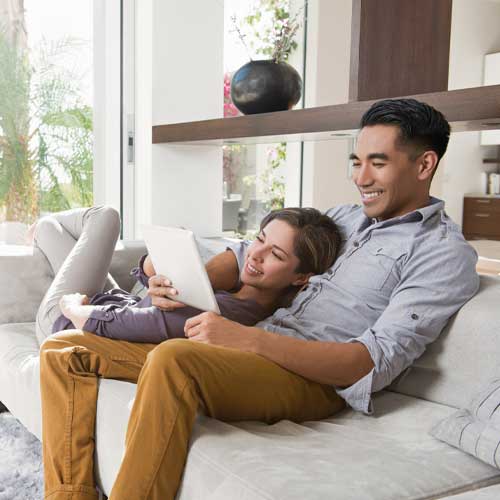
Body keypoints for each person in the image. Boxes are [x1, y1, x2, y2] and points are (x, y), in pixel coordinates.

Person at [39, 98, 479, 500]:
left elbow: (371, 362)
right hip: (253, 350)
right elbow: (251, 254)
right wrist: (184, 285)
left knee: (175, 360)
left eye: (378, 164)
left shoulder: (442, 253)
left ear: (424, 164)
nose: (361, 178)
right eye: (357, 161)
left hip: (311, 380)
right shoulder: (346, 219)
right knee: (64, 349)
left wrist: (248, 340)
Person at [34, 207, 340, 345]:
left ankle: (38, 231)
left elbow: (140, 323)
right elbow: (149, 286)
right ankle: (37, 231)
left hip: (61, 321)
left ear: (301, 278)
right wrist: (153, 276)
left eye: (276, 254)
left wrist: (74, 307)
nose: (256, 255)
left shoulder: (229, 313)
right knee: (49, 229)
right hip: (116, 301)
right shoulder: (234, 285)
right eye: (260, 239)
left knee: (102, 217)